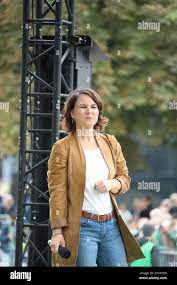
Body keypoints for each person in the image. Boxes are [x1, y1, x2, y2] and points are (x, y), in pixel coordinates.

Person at [47, 88, 144, 267]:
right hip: (82, 227)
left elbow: (125, 179)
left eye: (93, 106)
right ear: (72, 113)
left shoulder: (110, 142)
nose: (89, 111)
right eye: (83, 107)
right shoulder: (62, 148)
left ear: (99, 111)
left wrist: (112, 183)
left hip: (112, 226)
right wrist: (57, 231)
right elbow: (57, 191)